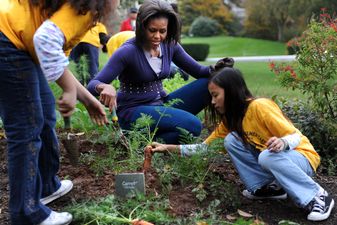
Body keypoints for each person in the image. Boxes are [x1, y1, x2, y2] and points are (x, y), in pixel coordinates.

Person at [148, 64, 335, 222]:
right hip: (277, 161)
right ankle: (266, 188)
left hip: (303, 158)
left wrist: (283, 142)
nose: (212, 102)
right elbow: (205, 148)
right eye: (211, 96)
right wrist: (168, 148)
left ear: (230, 92)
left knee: (267, 156)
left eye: (216, 95)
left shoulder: (259, 106)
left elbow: (295, 136)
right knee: (232, 140)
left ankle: (317, 196)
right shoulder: (231, 120)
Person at [0, 0, 114, 224]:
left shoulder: (77, 5)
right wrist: (70, 91)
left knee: (44, 115)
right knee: (26, 129)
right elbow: (45, 41)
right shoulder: (86, 6)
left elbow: (52, 56)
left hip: (18, 43)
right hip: (7, 40)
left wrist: (88, 99)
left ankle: (45, 187)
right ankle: (26, 213)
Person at [87, 0, 226, 144]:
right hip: (133, 111)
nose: (158, 36)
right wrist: (104, 87)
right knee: (193, 125)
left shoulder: (170, 45)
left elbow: (198, 71)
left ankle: (151, 139)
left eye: (162, 31)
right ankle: (137, 143)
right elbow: (92, 85)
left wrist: (218, 68)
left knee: (210, 83)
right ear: (142, 27)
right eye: (152, 30)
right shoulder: (127, 51)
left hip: (160, 104)